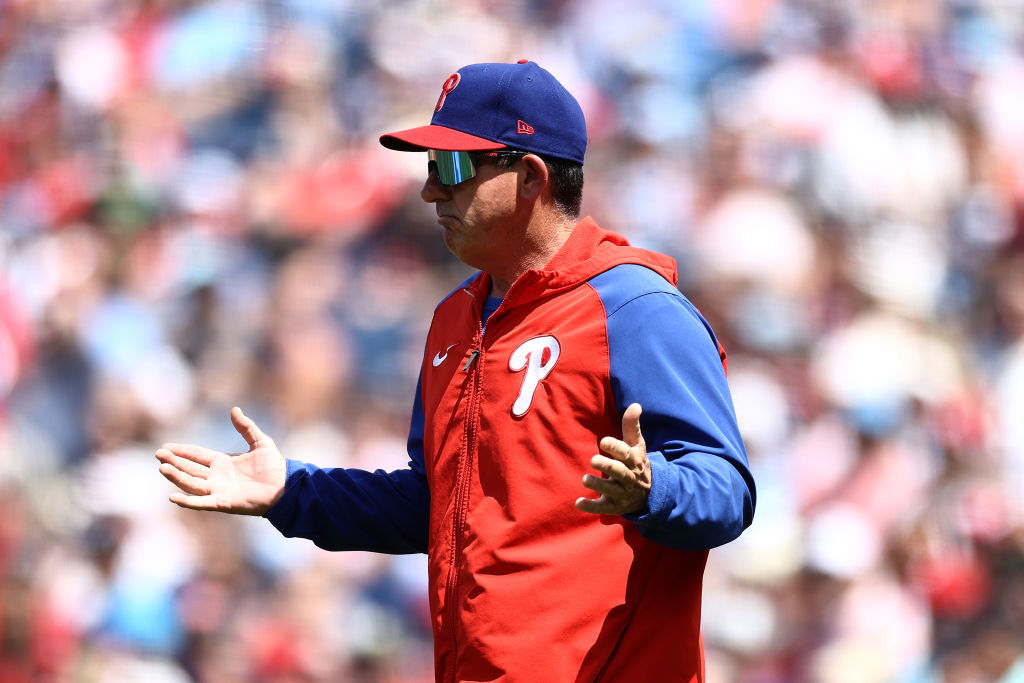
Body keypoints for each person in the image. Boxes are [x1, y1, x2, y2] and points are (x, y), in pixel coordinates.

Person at [156, 60, 756, 682]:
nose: (430, 192)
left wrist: (652, 488)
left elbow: (726, 489)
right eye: (429, 168)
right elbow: (433, 506)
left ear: (530, 176)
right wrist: (292, 492)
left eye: (454, 168)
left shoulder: (634, 309)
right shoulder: (455, 317)